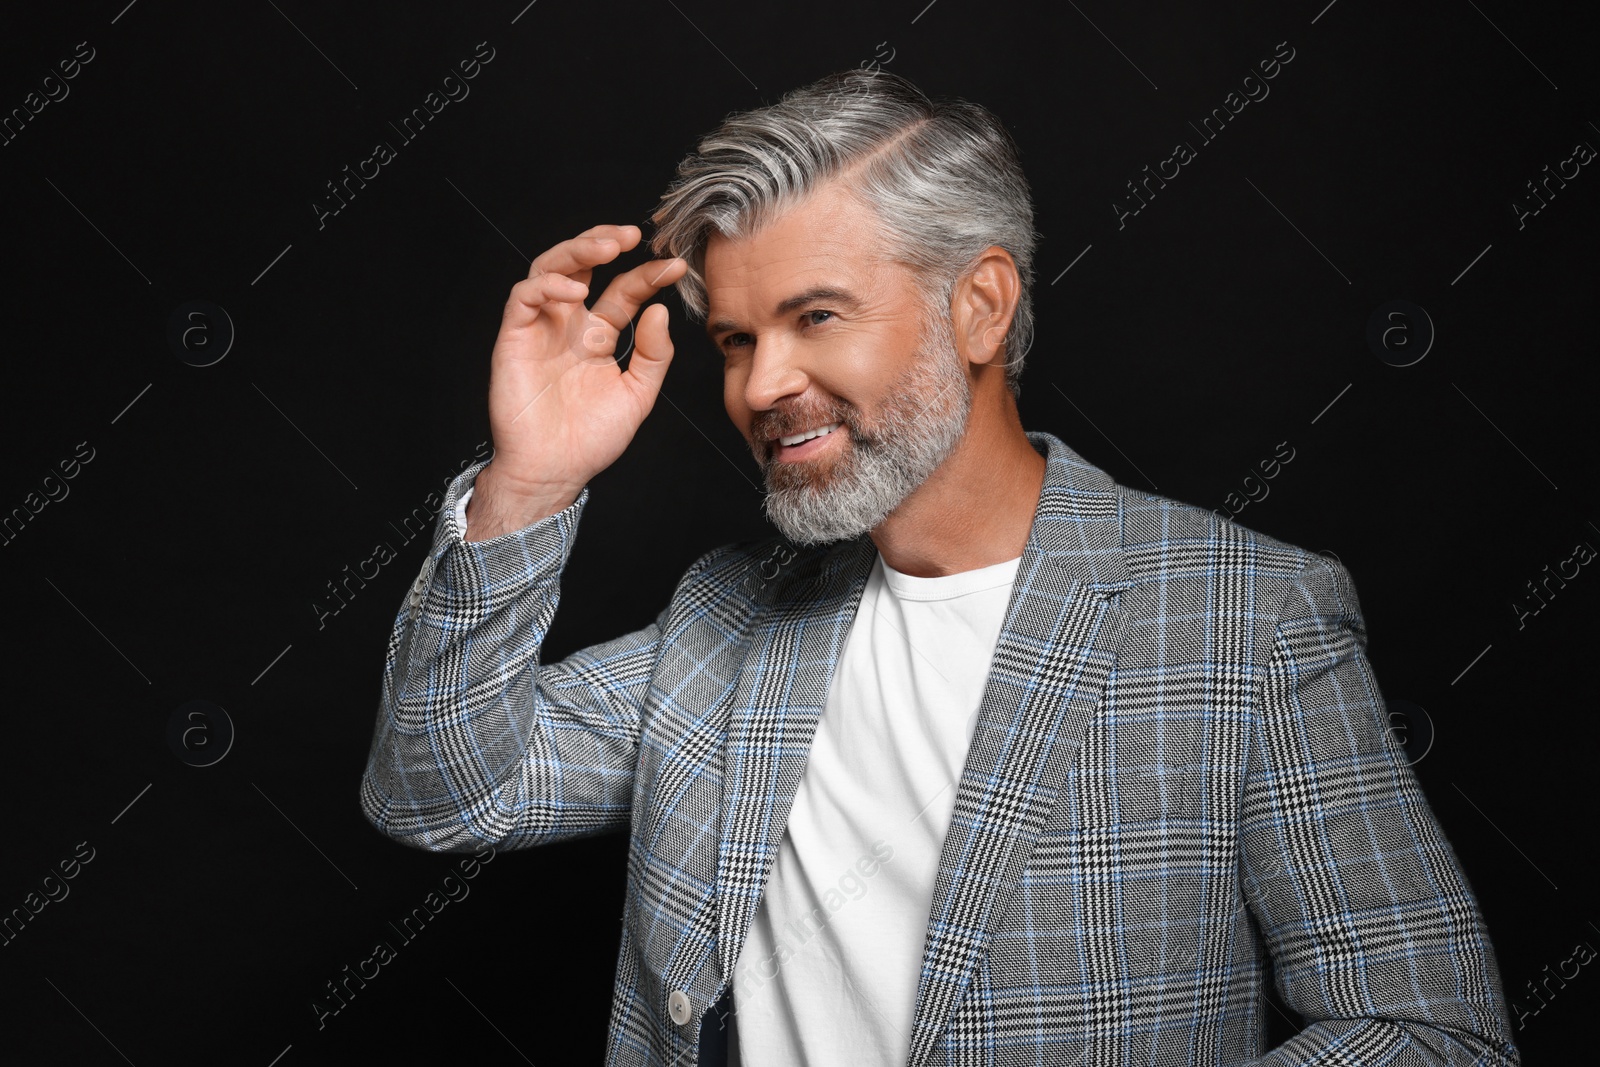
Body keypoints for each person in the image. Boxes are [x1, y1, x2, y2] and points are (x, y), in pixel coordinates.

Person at [359, 68, 1519, 1067]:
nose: (761, 387)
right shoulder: (724, 614)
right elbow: (446, 790)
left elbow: (1428, 1028)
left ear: (978, 305)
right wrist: (530, 483)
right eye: (739, 339)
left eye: (818, 315)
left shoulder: (1249, 622)